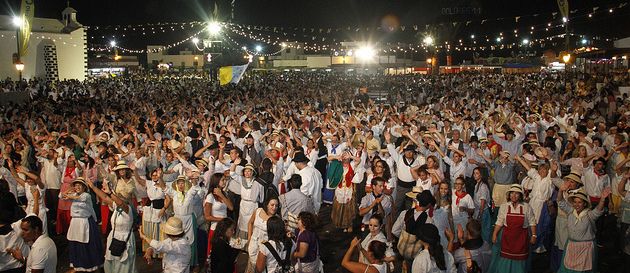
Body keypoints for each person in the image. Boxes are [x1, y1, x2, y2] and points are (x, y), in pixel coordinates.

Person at [85, 175, 137, 273]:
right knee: (111, 263)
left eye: (121, 196)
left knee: (123, 266)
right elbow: (104, 197)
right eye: (119, 195)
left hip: (124, 238)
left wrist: (110, 192)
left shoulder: (128, 209)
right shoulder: (116, 206)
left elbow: (120, 203)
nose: (119, 197)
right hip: (114, 237)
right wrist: (92, 187)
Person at [556, 186, 611, 273]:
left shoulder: (589, 215)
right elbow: (560, 202)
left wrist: (602, 199)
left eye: (579, 202)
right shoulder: (570, 212)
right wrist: (560, 191)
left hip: (586, 249)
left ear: (584, 203)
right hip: (571, 246)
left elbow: (598, 210)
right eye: (575, 202)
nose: (576, 205)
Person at [488, 184, 536, 273]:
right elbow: (499, 222)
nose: (513, 196)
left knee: (520, 261)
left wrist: (533, 235)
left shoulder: (526, 207)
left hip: (521, 238)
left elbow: (532, 222)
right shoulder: (504, 206)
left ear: (520, 195)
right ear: (509, 195)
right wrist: (494, 234)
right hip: (507, 238)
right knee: (505, 259)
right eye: (511, 193)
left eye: (516, 193)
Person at [63, 177, 104, 271]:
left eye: (79, 185)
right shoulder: (73, 194)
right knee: (76, 243)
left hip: (85, 222)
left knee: (87, 244)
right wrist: (71, 189)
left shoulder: (86, 195)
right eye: (76, 185)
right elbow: (61, 196)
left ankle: (89, 264)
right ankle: (78, 264)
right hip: (75, 223)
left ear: (84, 187)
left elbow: (78, 198)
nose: (77, 187)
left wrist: (71, 195)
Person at [166, 175, 204, 268]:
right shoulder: (174, 194)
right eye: (179, 183)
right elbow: (164, 188)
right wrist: (159, 178)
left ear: (186, 184)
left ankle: (193, 263)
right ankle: (178, 261)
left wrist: (194, 180)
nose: (181, 185)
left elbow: (195, 188)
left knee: (191, 241)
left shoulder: (189, 193)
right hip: (177, 220)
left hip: (189, 220)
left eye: (182, 183)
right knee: (177, 240)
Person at [247, 196, 280, 273]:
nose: (274, 207)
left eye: (276, 205)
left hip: (265, 248)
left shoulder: (276, 219)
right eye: (272, 205)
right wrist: (249, 238)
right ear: (267, 204)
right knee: (251, 266)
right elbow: (250, 223)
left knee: (260, 269)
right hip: (253, 242)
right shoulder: (258, 211)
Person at [204, 173, 233, 254]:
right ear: (216, 181)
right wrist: (222, 220)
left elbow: (231, 207)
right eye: (222, 180)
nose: (225, 182)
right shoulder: (210, 196)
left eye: (225, 180)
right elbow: (207, 216)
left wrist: (221, 195)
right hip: (215, 229)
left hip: (225, 229)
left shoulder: (224, 194)